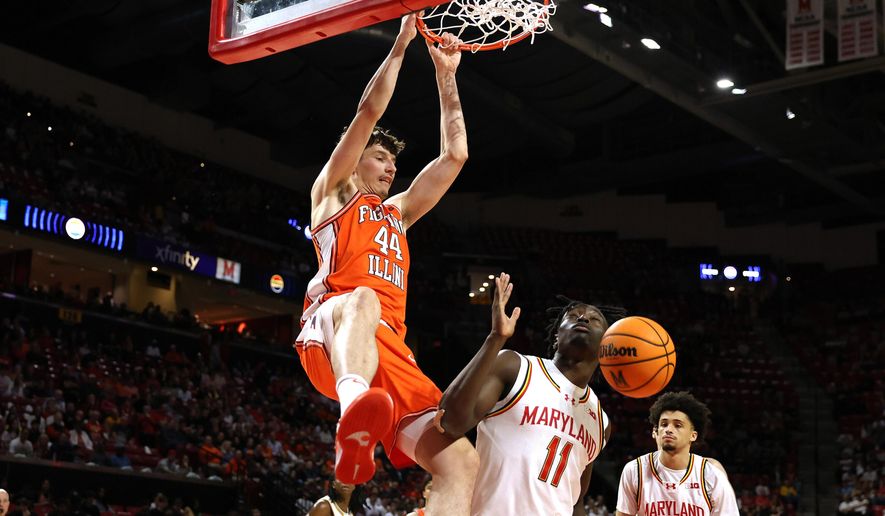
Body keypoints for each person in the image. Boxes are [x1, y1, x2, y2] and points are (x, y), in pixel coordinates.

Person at [294, 10, 478, 514]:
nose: (391, 166)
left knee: (463, 464)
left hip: (391, 355)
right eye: (379, 157)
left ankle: (355, 467)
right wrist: (400, 45)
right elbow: (367, 113)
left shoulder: (397, 215)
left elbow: (454, 156)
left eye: (393, 161)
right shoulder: (333, 194)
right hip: (332, 335)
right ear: (354, 161)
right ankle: (354, 411)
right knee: (364, 298)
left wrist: (446, 77)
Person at [434, 273, 618, 515]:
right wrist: (495, 338)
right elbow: (449, 422)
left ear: (606, 345)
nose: (583, 317)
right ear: (556, 335)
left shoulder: (600, 421)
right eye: (572, 315)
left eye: (595, 319)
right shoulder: (517, 367)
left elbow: (575, 501)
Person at [615, 391, 739, 516]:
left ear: (693, 435)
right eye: (664, 424)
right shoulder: (635, 470)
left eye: (678, 425)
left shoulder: (711, 474)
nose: (668, 429)